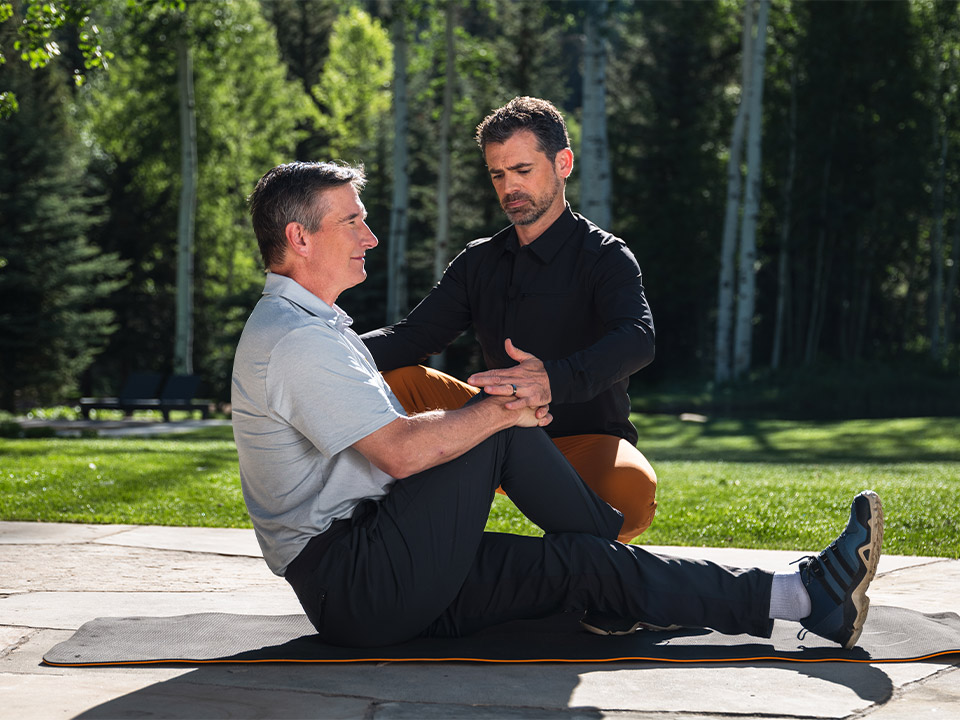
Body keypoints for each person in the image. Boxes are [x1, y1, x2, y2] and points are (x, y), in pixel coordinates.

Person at [231, 160, 884, 651]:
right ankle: (607, 546)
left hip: (380, 571)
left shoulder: (307, 328)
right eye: (352, 220)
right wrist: (502, 409)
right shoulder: (296, 340)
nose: (369, 235)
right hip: (360, 579)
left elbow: (397, 439)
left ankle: (803, 598)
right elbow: (401, 453)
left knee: (578, 564)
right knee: (496, 425)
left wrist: (495, 409)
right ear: (301, 237)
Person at [362, 96, 657, 544]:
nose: (508, 188)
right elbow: (413, 337)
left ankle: (588, 572)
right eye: (497, 174)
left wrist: (552, 380)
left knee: (632, 497)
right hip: (490, 424)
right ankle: (379, 537)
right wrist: (323, 349)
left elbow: (637, 338)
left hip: (580, 441)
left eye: (522, 171)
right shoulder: (479, 261)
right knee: (397, 379)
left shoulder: (606, 257)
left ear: (563, 163)